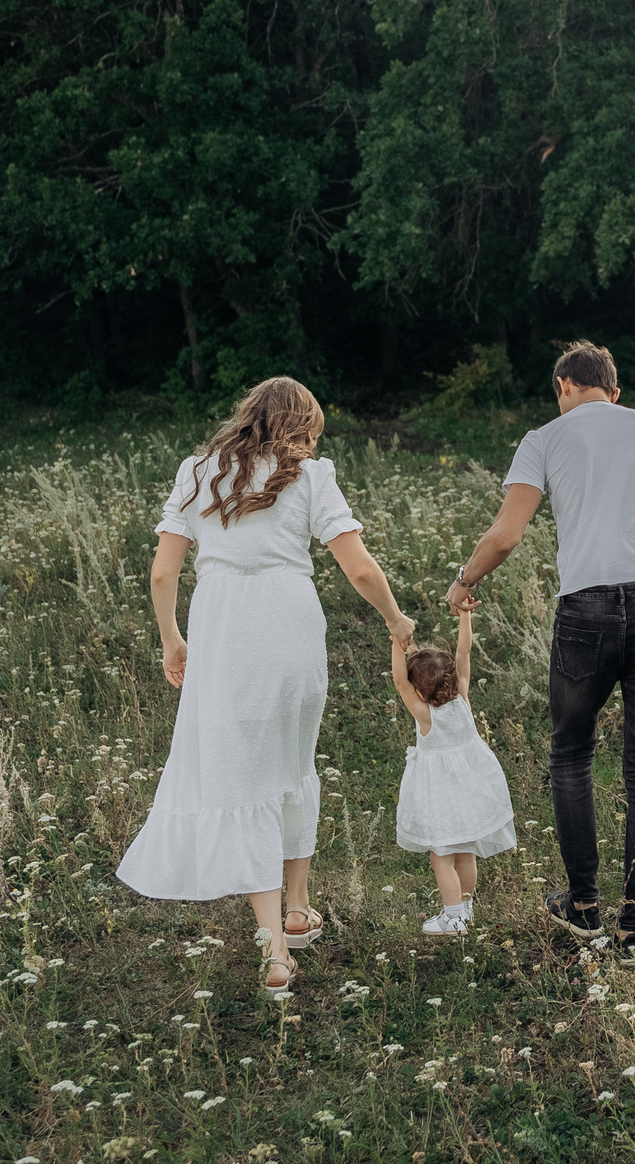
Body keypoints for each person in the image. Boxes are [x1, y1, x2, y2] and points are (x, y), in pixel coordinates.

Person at [445, 340, 635, 957]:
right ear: (614, 391)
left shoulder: (544, 439)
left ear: (563, 386)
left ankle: (583, 907)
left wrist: (464, 581)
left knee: (571, 754)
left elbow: (505, 536)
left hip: (587, 610)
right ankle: (633, 931)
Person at [117, 376, 415, 996]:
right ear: (303, 425)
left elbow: (162, 573)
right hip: (290, 627)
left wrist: (172, 639)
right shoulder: (310, 476)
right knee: (293, 765)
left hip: (222, 629)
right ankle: (297, 911)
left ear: (247, 415)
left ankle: (276, 947)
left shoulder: (198, 472)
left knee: (245, 775)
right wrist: (395, 619)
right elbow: (359, 567)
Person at [390, 607, 516, 935]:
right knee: (466, 853)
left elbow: (399, 681)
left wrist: (396, 641)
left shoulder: (425, 715)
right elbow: (464, 652)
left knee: (441, 857)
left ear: (419, 692)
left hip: (442, 800)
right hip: (470, 795)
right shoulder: (462, 698)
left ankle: (454, 917)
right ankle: (466, 908)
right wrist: (465, 616)